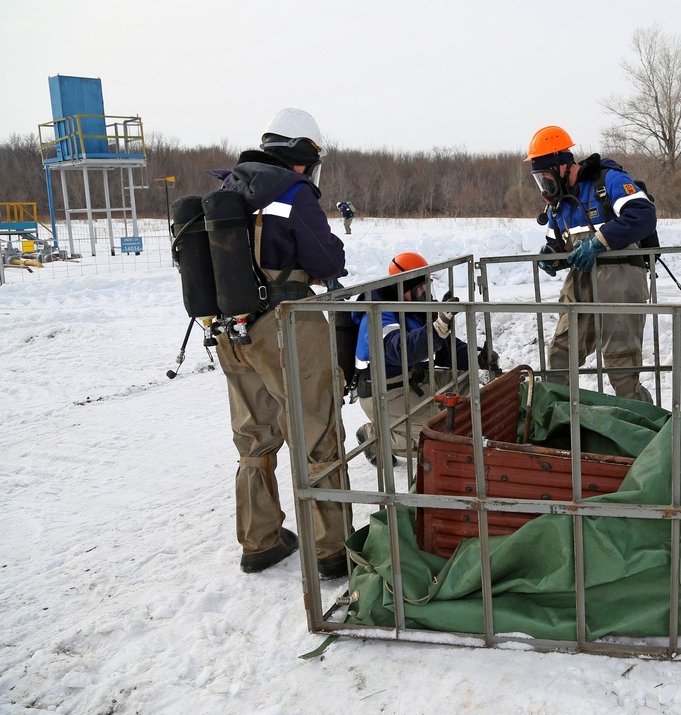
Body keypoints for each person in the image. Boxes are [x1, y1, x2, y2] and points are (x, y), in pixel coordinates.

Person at [210, 108, 351, 580]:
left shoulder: (230, 189)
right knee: (316, 431)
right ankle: (331, 550)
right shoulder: (292, 193)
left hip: (231, 328)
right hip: (285, 325)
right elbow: (327, 255)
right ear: (301, 158)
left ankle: (260, 541)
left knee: (254, 437)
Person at [527, 125, 657, 403]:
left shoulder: (607, 180)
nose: (544, 185)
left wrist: (599, 242)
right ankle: (561, 423)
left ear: (563, 166)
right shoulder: (559, 205)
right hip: (582, 282)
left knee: (621, 369)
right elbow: (559, 244)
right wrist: (551, 256)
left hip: (619, 278)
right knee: (560, 356)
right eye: (539, 179)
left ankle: (648, 433)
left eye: (546, 176)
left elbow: (643, 215)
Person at [350, 251, 498, 463]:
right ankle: (374, 436)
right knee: (439, 442)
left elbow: (445, 348)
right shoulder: (378, 313)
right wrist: (437, 327)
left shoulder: (412, 306)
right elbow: (399, 350)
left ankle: (441, 418)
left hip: (415, 379)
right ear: (403, 287)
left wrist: (478, 358)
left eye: (426, 286)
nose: (425, 292)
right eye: (420, 288)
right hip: (387, 393)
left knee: (476, 387)